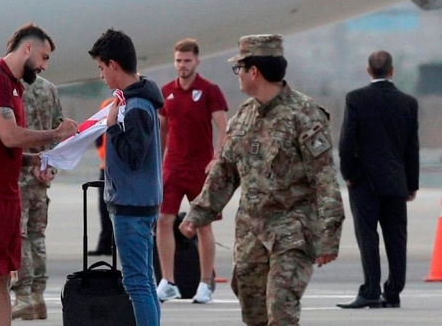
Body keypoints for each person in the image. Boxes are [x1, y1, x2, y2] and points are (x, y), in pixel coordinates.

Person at [179, 34, 345, 326]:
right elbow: (225, 172)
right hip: (251, 233)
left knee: (281, 307)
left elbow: (325, 180)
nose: (238, 76)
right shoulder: (243, 118)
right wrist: (198, 213)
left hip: (293, 231)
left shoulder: (305, 115)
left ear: (253, 71)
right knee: (253, 312)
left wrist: (329, 236)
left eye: (239, 69)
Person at [0, 23, 77, 326]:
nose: (45, 66)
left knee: (0, 278)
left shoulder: (13, 86)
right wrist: (56, 134)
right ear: (28, 48)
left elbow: (2, 146)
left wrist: (35, 159)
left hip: (5, 191)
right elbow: (9, 135)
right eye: (45, 57)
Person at [88, 28, 164, 326]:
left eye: (101, 68)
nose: (101, 76)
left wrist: (112, 127)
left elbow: (135, 157)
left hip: (132, 207)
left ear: (113, 65)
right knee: (144, 280)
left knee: (137, 285)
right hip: (140, 203)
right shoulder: (137, 101)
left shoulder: (135, 108)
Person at [337, 50, 419, 309]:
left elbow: (346, 142)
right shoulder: (408, 102)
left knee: (368, 236)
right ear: (392, 71)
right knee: (396, 238)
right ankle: (393, 291)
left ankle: (370, 289)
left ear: (368, 71)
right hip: (396, 182)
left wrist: (348, 175)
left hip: (365, 182)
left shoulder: (356, 99)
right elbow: (411, 147)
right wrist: (412, 183)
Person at [155, 38, 228, 304]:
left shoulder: (209, 90)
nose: (182, 65)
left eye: (187, 61)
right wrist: (157, 159)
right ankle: (168, 281)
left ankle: (205, 282)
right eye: (178, 61)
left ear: (196, 61)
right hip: (173, 165)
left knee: (202, 224)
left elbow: (223, 125)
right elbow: (162, 128)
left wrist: (217, 157)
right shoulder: (166, 91)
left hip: (200, 166)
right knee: (164, 220)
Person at [10, 75, 63, 320]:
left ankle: (23, 296)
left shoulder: (13, 88)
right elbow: (59, 130)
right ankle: (38, 296)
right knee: (37, 235)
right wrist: (50, 165)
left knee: (18, 236)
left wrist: (32, 163)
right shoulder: (49, 88)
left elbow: (13, 132)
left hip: (20, 172)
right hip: (43, 175)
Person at [88, 97, 114, 256]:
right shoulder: (107, 104)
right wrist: (102, 155)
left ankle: (117, 244)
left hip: (123, 170)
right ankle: (104, 244)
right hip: (106, 166)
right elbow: (98, 133)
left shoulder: (137, 102)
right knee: (104, 209)